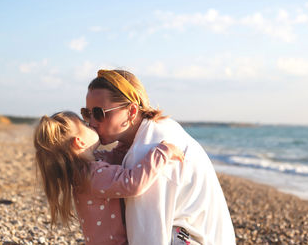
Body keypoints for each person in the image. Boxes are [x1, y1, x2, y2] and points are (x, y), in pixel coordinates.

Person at [81, 69, 236, 245]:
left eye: (99, 113)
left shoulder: (146, 153)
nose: (91, 122)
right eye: (87, 113)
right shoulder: (162, 127)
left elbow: (147, 238)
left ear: (131, 112)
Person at [33, 111, 184, 245]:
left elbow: (116, 157)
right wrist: (162, 153)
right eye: (86, 124)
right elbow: (132, 183)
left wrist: (127, 139)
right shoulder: (92, 175)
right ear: (79, 142)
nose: (92, 124)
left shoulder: (87, 168)